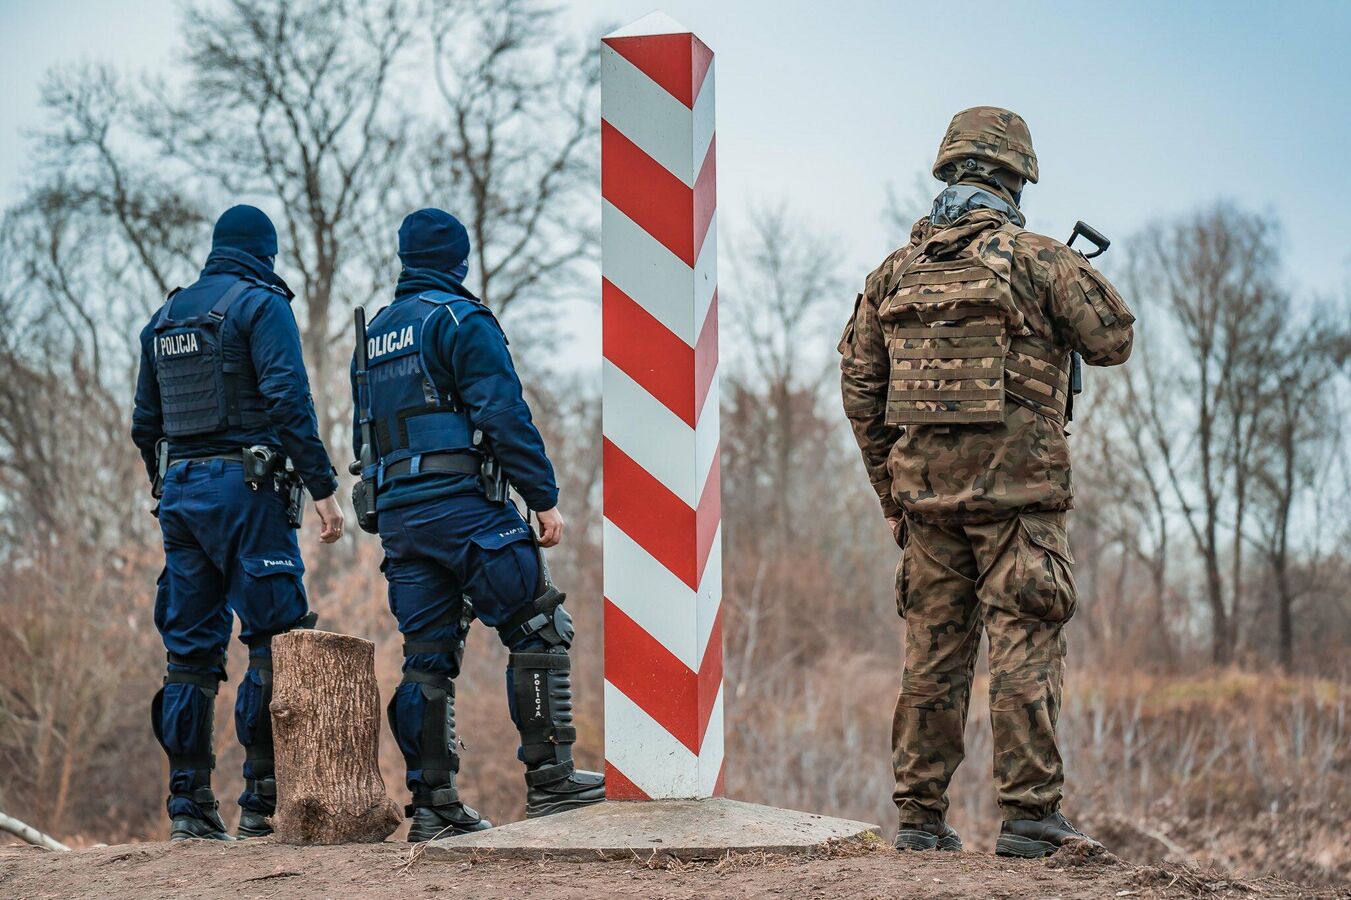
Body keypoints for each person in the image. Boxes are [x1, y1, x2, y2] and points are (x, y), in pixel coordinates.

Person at [838, 107, 1135, 857]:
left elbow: (860, 386)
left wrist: (893, 497)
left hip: (926, 506)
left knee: (931, 660)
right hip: (1019, 505)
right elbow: (1113, 339)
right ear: (1016, 180)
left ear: (946, 173)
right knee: (1022, 648)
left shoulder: (893, 273)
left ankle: (918, 821)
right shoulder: (1038, 259)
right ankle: (1030, 819)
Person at [351, 208, 604, 842]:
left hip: (400, 518)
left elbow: (367, 435)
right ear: (458, 261)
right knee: (538, 627)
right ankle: (552, 783)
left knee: (426, 659)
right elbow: (503, 413)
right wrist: (542, 497)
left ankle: (433, 807)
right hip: (464, 507)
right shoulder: (461, 319)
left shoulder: (373, 334)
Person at [132, 205, 344, 841]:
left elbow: (145, 424)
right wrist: (323, 488)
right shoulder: (261, 304)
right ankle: (262, 804)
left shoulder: (165, 318)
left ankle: (189, 808)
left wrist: (168, 484)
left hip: (181, 495)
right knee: (273, 639)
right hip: (247, 492)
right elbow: (288, 400)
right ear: (264, 253)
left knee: (188, 654)